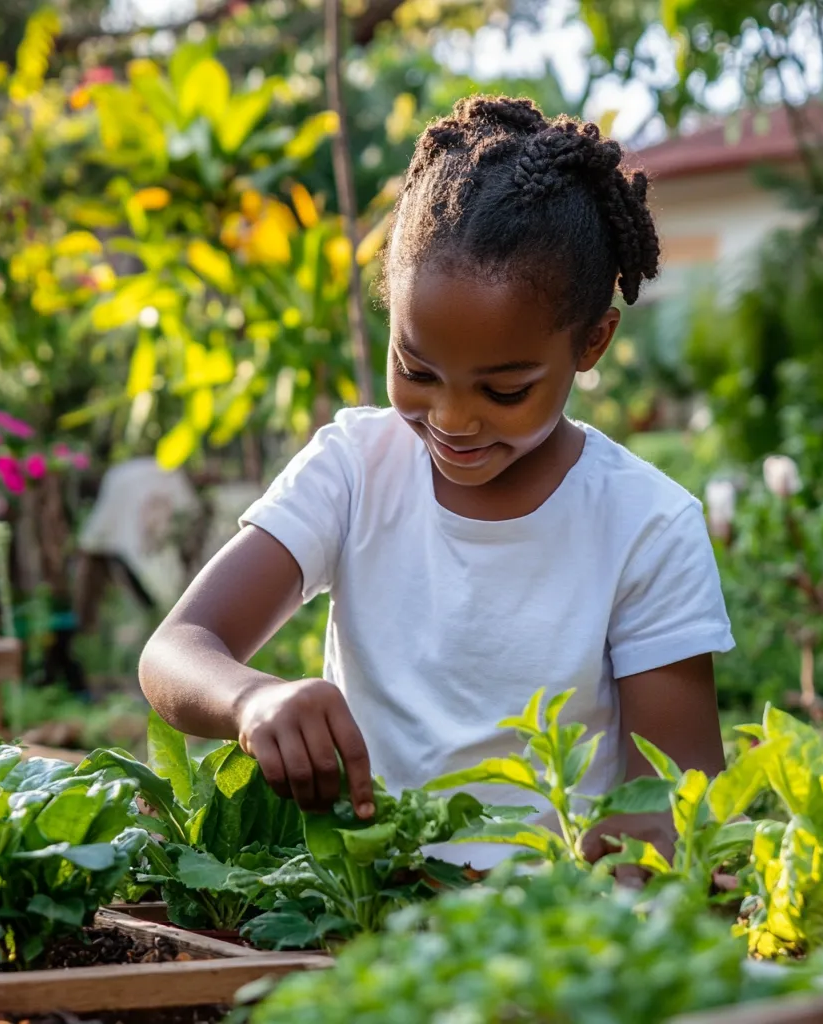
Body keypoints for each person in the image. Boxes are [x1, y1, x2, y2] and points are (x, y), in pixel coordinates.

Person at [139, 96, 734, 869]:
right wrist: (252, 699)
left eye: (504, 390)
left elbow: (674, 814)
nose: (452, 419)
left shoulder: (646, 526)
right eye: (416, 370)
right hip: (360, 912)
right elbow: (177, 650)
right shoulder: (356, 468)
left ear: (592, 342)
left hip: (554, 942)